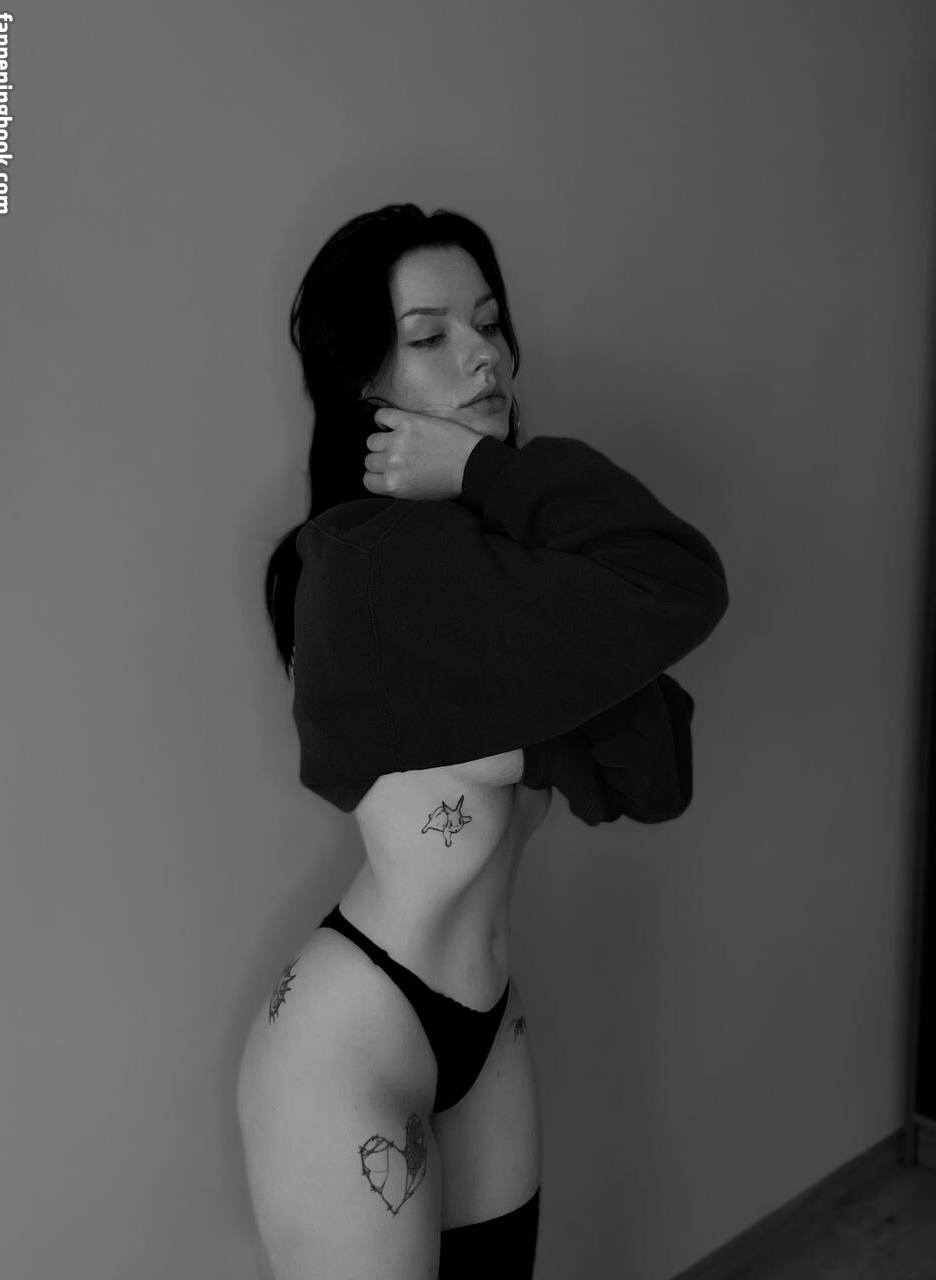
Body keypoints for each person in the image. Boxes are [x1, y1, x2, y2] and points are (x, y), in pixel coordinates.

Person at [236, 203, 729, 1280]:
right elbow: (676, 585)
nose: (483, 356)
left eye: (491, 322)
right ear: (365, 385)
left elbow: (652, 772)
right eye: (429, 336)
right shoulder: (365, 571)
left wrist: (487, 486)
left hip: (483, 1017)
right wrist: (488, 475)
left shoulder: (494, 557)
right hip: (353, 1037)